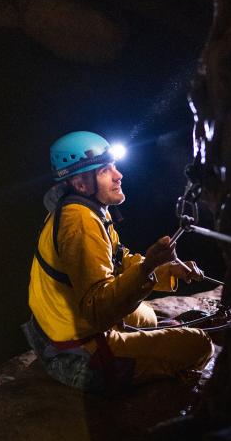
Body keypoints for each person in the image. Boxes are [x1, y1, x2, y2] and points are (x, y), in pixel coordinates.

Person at [22, 131, 214, 393]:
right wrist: (147, 269)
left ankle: (137, 345)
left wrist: (166, 269)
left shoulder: (85, 208)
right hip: (77, 355)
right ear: (81, 184)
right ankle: (136, 376)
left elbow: (119, 258)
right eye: (105, 170)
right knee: (199, 345)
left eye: (114, 165)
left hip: (63, 331)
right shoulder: (80, 223)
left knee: (148, 317)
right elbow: (98, 310)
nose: (118, 174)